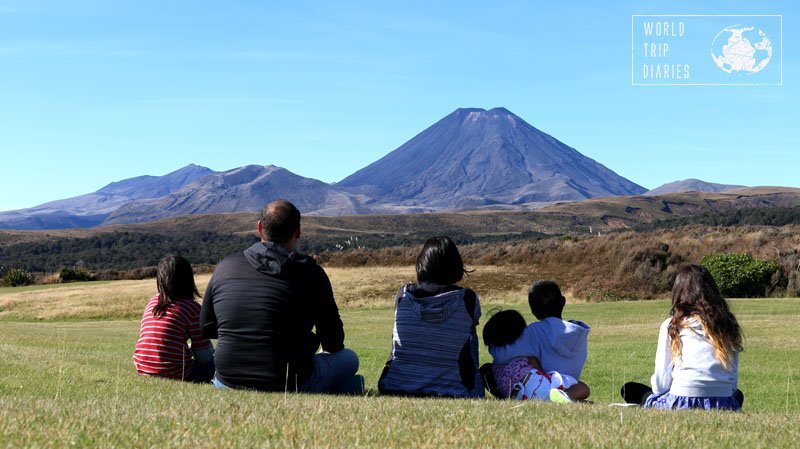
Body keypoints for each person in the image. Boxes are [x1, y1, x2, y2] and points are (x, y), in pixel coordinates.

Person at [200, 199, 363, 394]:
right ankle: (349, 388)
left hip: (227, 380)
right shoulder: (310, 272)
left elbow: (206, 327)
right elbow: (334, 341)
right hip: (288, 381)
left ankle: (349, 388)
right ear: (298, 232)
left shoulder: (225, 266)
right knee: (350, 359)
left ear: (259, 228)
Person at [620, 264, 744, 411]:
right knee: (739, 395)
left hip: (682, 400)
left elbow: (661, 385)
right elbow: (732, 385)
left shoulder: (672, 325)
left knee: (630, 389)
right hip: (722, 402)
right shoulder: (727, 324)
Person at [378, 236, 484, 398]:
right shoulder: (468, 299)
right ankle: (469, 387)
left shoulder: (402, 295)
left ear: (422, 263)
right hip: (455, 390)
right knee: (470, 336)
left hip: (396, 386)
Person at [487, 280, 591, 384]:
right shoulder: (579, 333)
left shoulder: (535, 331)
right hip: (571, 383)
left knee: (488, 369)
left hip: (545, 386)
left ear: (533, 311)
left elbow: (501, 356)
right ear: (563, 301)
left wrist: (492, 345)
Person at [133, 254, 215, 382]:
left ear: (160, 280)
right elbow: (203, 356)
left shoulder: (152, 302)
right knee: (216, 364)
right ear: (189, 279)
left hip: (142, 368)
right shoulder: (192, 308)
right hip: (175, 372)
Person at [482, 309, 590, 403]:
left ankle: (566, 400)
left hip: (519, 396)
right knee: (582, 387)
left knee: (549, 397)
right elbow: (537, 368)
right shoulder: (526, 350)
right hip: (534, 385)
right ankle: (566, 397)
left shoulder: (496, 364)